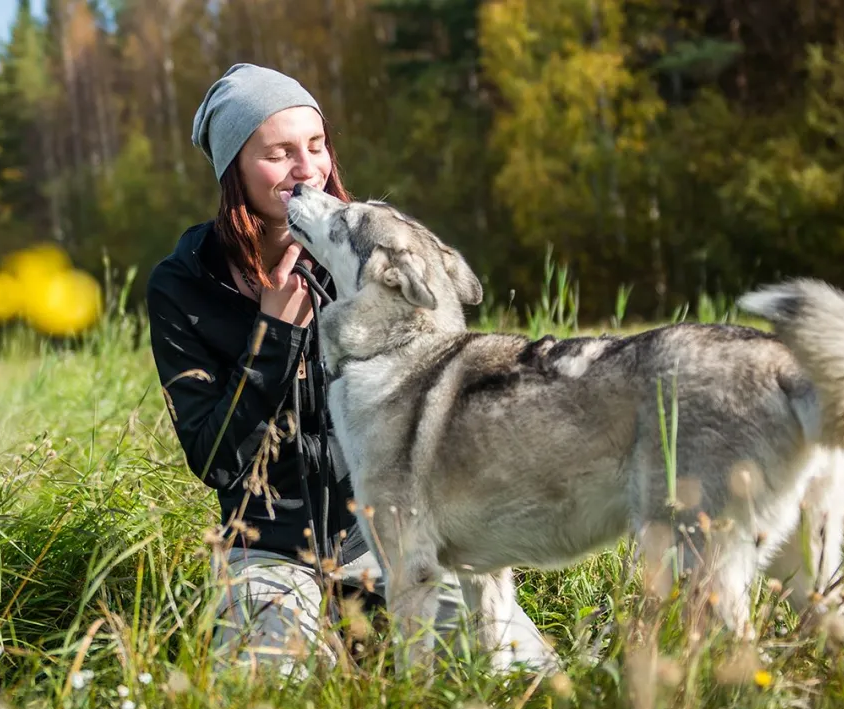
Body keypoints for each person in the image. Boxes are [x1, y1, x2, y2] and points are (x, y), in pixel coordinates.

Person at [146, 62, 556, 677]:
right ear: (233, 169)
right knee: (268, 688)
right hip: (267, 550)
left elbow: (438, 388)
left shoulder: (363, 255)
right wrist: (274, 335)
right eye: (278, 153)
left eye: (315, 146)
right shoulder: (183, 287)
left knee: (521, 674)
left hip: (389, 533)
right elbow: (216, 459)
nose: (306, 168)